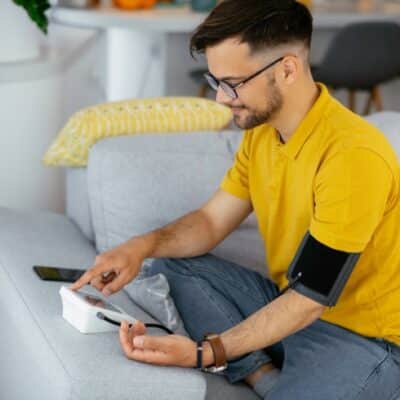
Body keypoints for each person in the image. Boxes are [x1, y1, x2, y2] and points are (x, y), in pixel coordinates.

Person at [71, 0, 400, 398]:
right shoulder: (262, 135)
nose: (221, 100)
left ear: (288, 69)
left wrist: (204, 353)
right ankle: (262, 375)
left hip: (364, 339)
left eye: (233, 83)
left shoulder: (352, 156)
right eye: (216, 82)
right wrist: (140, 246)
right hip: (291, 307)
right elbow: (210, 222)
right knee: (173, 262)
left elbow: (312, 297)